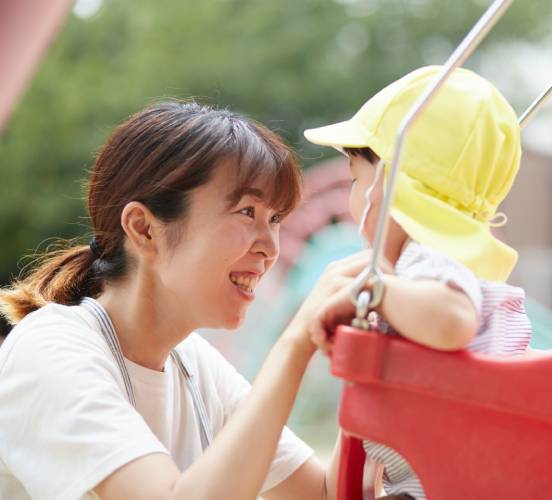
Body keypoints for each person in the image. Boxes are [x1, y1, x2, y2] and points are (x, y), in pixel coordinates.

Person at [0, 101, 372, 500]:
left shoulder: (191, 360)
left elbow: (324, 493)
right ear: (143, 229)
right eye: (247, 212)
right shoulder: (50, 349)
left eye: (275, 220)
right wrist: (297, 342)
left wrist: (378, 353)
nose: (270, 248)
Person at [304, 66, 533, 499]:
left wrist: (377, 288)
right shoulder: (437, 272)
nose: (354, 199)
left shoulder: (429, 262)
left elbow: (452, 321)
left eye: (356, 179)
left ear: (391, 187)